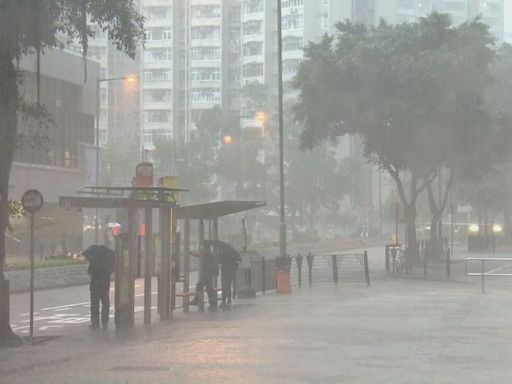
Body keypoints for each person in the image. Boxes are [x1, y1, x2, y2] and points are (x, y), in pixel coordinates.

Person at [86, 246, 115, 330]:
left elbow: (90, 271)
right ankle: (105, 322)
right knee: (105, 304)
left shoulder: (94, 261)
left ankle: (95, 323)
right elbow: (111, 271)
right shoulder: (108, 262)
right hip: (104, 285)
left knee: (94, 304)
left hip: (95, 285)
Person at [190, 241, 219, 312]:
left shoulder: (207, 253)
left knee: (200, 286)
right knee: (209, 289)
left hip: (207, 274)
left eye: (203, 246)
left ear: (206, 247)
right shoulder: (209, 254)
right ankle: (212, 304)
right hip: (208, 274)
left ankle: (197, 300)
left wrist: (191, 253)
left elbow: (199, 255)